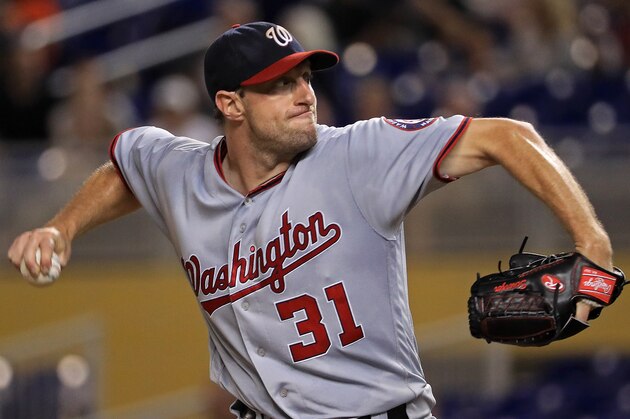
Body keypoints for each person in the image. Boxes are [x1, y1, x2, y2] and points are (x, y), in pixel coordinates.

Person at [8, 22, 614, 419]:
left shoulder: (357, 154)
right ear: (230, 105)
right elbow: (126, 164)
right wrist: (62, 228)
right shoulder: (181, 172)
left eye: (304, 77)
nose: (305, 94)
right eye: (279, 84)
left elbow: (509, 137)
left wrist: (592, 241)